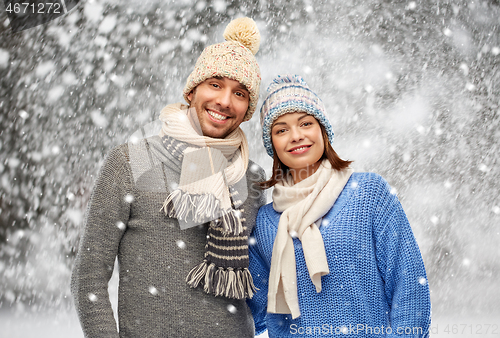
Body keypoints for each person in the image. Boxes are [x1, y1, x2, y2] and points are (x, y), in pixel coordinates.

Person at [71, 18, 267, 338]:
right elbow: (87, 278)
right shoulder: (129, 162)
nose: (224, 101)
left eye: (240, 93)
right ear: (192, 91)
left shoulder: (252, 177)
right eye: (215, 84)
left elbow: (263, 279)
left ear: (246, 110)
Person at [247, 75, 431, 337]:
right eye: (281, 129)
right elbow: (251, 313)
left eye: (306, 123)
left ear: (323, 130)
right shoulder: (266, 222)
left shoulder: (369, 193)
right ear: (272, 144)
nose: (296, 136)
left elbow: (409, 287)